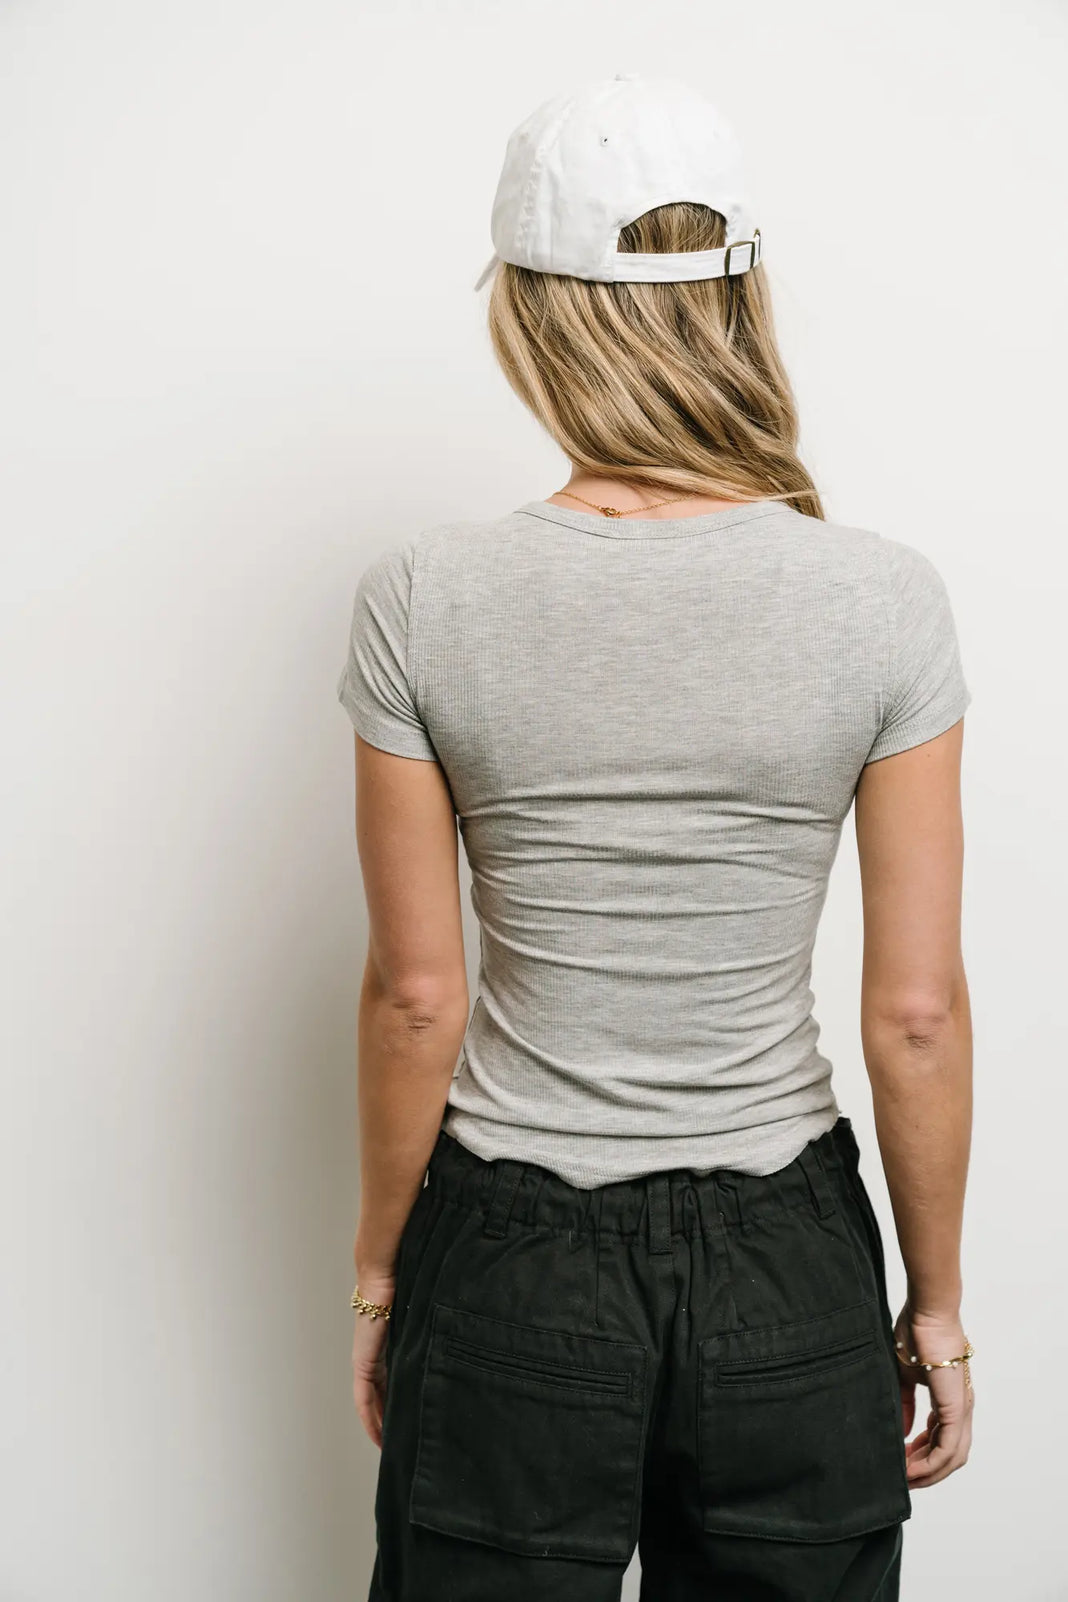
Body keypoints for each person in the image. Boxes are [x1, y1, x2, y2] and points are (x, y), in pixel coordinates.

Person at [336, 73, 975, 1602]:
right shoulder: (882, 598)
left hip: (512, 1251)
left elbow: (417, 996)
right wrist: (938, 1304)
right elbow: (917, 1012)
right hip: (788, 1256)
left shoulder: (425, 596)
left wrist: (377, 1270)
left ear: (532, 313)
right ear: (739, 296)